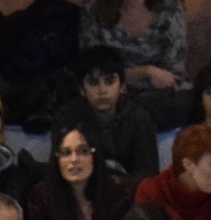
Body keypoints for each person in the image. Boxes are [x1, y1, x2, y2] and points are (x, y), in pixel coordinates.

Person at [78, 0, 189, 129]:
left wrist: (127, 77)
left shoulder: (169, 8)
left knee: (173, 104)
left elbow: (172, 73)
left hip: (158, 95)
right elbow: (92, 67)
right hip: (109, 92)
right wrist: (145, 72)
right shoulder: (95, 7)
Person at [51, 47, 162, 190]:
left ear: (122, 87)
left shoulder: (139, 117)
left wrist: (119, 181)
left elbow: (149, 174)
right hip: (78, 188)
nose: (102, 90)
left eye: (109, 82)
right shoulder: (67, 116)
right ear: (81, 89)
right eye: (93, 83)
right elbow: (61, 165)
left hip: (126, 192)